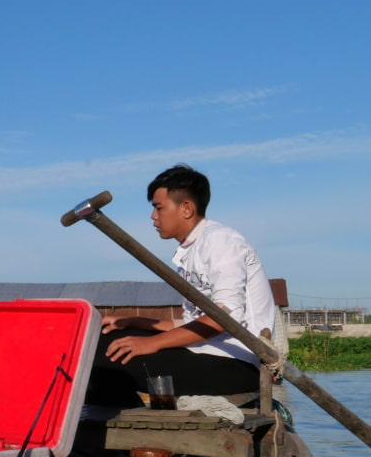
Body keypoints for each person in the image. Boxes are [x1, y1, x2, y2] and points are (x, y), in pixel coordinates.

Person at [88, 164, 276, 407]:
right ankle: (118, 420)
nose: (153, 217)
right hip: (202, 351)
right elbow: (192, 324)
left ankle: (124, 424)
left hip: (234, 362)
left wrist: (150, 342)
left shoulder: (221, 241)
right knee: (102, 338)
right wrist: (135, 322)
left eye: (159, 208)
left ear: (186, 208)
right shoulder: (188, 252)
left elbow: (223, 318)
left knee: (107, 357)